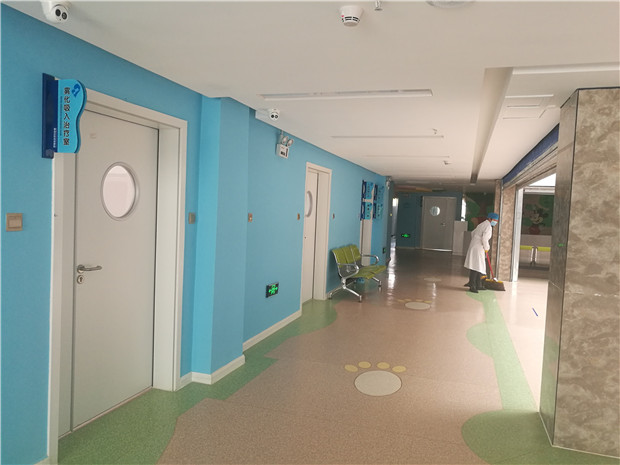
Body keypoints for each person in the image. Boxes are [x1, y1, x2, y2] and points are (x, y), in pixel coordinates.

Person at [464, 212, 499, 293]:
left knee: (477, 266)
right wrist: (487, 247)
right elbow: (485, 239)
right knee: (476, 266)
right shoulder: (488, 226)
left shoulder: (482, 224)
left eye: (496, 220)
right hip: (478, 247)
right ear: (489, 219)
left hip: (475, 245)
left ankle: (478, 284)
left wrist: (476, 241)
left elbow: (473, 233)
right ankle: (473, 286)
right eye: (494, 220)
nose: (495, 222)